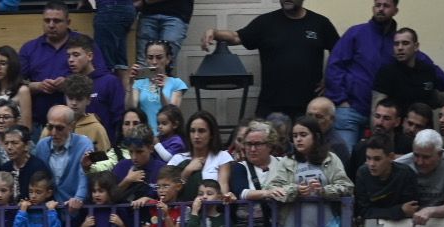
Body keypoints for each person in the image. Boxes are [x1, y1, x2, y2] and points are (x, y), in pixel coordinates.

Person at [203, 0, 339, 122]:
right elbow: (236, 37)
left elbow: (339, 51)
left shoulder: (320, 23)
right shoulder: (266, 22)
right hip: (271, 105)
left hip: (308, 106)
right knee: (264, 145)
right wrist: (214, 33)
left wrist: (329, 79)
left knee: (305, 147)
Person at [266, 116, 353, 227]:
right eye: (295, 136)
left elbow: (347, 187)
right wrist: (296, 190)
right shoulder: (287, 161)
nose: (298, 139)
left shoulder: (330, 159)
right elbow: (272, 189)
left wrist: (323, 191)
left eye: (303, 135)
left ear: (316, 136)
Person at [325, 0, 401, 152]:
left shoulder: (398, 41)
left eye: (386, 6)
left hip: (381, 116)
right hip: (350, 111)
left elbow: (418, 60)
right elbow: (335, 64)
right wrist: (341, 100)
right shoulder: (356, 33)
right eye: (378, 5)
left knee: (377, 162)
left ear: (395, 10)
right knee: (346, 158)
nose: (380, 9)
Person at [20, 2, 108, 127]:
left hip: (79, 123)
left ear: (68, 22)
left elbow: (100, 77)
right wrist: (37, 86)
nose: (51, 25)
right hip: (39, 123)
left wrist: (70, 84)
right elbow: (14, 85)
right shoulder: (29, 48)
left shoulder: (83, 43)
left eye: (57, 21)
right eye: (47, 20)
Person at [372, 28, 444, 114]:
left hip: (423, 125)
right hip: (397, 125)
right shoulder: (386, 72)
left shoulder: (427, 70)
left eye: (405, 43)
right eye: (396, 44)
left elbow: (436, 100)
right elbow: (376, 110)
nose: (400, 48)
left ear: (416, 46)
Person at [398, 130, 444, 225]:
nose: (420, 162)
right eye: (416, 155)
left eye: (426, 157)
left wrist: (430, 211)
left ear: (440, 154)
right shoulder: (401, 165)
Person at [34, 105, 93, 204]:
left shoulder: (84, 144)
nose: (53, 132)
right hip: (50, 210)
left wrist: (78, 199)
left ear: (72, 126)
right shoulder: (42, 146)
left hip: (78, 209)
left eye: (59, 128)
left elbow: (84, 173)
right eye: (50, 127)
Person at [355, 133, 421, 218]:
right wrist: (399, 211)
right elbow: (363, 211)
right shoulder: (362, 174)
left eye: (377, 159)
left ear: (391, 157)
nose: (371, 164)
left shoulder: (406, 174)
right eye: (368, 158)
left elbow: (411, 209)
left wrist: (379, 212)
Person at [129, 41, 187, 135]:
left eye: (159, 57)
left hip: (167, 137)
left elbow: (172, 113)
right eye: (150, 57)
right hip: (145, 136)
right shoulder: (139, 83)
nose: (154, 62)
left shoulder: (176, 83)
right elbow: (131, 108)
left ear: (168, 59)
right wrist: (130, 83)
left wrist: (161, 91)